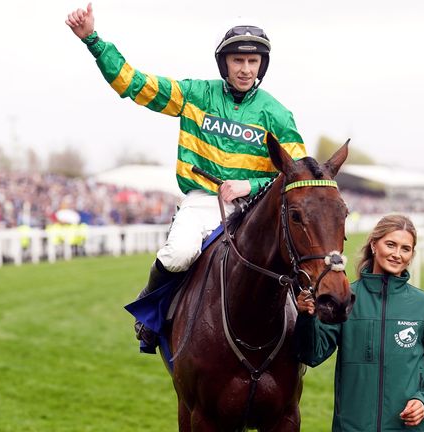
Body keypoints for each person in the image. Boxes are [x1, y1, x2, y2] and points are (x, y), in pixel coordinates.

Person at [65, 4, 307, 351]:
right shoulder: (196, 94)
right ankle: (149, 313)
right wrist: (92, 40)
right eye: (238, 60)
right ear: (224, 63)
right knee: (177, 254)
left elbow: (298, 175)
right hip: (204, 201)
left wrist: (250, 185)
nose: (245, 69)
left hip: (256, 207)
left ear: (261, 66)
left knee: (297, 260)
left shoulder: (278, 115)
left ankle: (305, 339)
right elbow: (136, 85)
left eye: (252, 62)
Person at [295, 214, 424, 431]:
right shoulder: (345, 299)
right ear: (374, 245)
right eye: (390, 244)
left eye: (405, 248)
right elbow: (311, 354)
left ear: (411, 255)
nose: (397, 254)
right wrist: (306, 318)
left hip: (408, 427)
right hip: (352, 427)